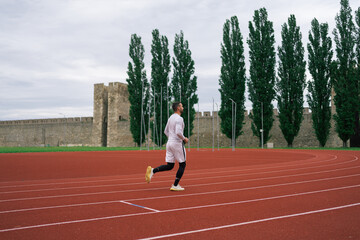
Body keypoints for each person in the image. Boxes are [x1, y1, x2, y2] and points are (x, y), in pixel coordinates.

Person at [145, 102, 189, 191]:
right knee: (182, 164)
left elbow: (165, 131)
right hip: (177, 143)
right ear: (178, 108)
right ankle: (175, 185)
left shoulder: (170, 118)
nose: (183, 107)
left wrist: (171, 138)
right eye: (182, 106)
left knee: (170, 165)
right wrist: (184, 139)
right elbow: (178, 132)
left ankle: (153, 171)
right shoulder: (179, 119)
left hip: (169, 143)